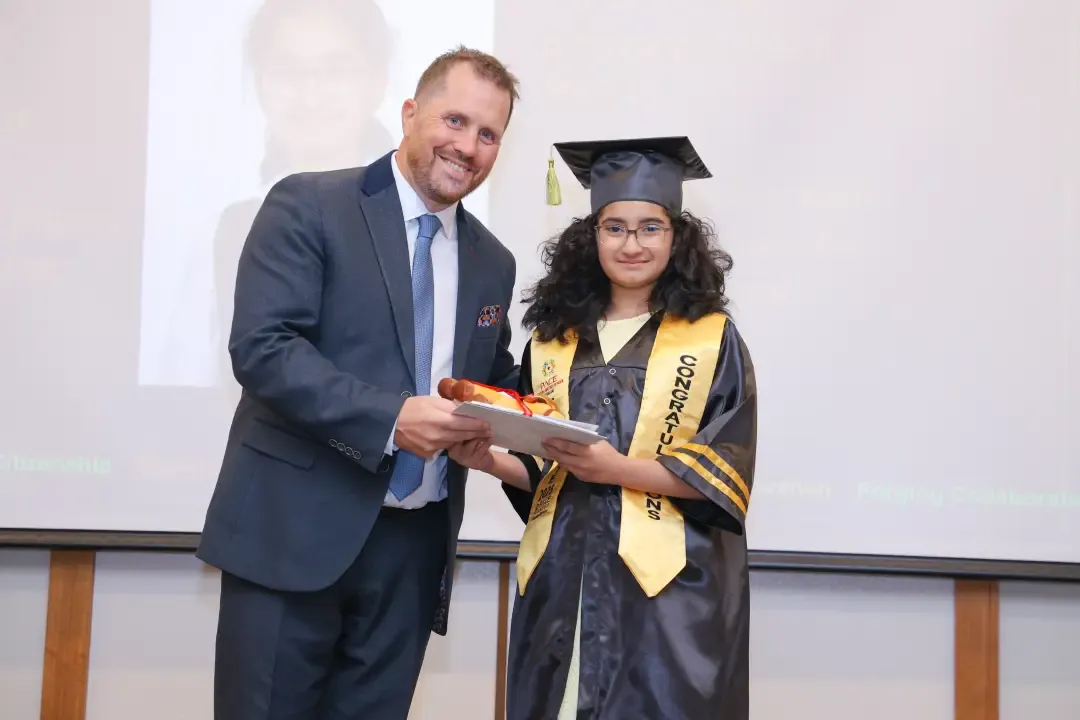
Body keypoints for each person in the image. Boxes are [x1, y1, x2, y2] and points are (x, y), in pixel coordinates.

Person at [195, 46, 522, 719]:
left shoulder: (493, 261)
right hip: (293, 537)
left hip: (412, 555)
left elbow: (493, 383)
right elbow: (263, 348)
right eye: (455, 121)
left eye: (489, 134)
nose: (468, 147)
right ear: (409, 113)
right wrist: (392, 419)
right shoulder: (309, 204)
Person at [449, 136, 758, 718]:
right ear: (590, 237)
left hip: (667, 598)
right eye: (614, 228)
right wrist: (487, 459)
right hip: (563, 583)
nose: (631, 244)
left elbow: (725, 472)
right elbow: (547, 469)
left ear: (677, 237)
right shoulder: (553, 340)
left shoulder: (710, 338)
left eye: (650, 228)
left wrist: (616, 470)